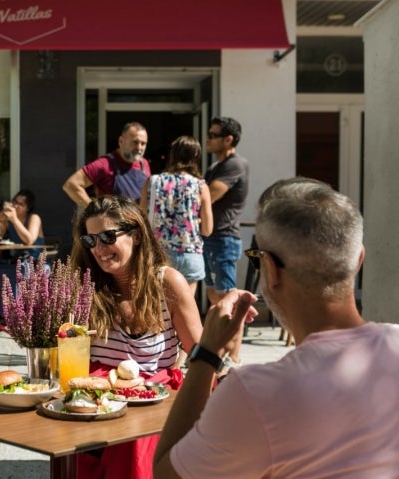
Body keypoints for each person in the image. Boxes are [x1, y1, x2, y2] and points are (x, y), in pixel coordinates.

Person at [153, 178, 399, 477]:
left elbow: (167, 472)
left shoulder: (255, 393)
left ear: (269, 270)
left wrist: (206, 354)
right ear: (359, 258)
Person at [70, 195, 203, 479]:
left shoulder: (167, 283)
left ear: (137, 235)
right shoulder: (85, 288)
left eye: (107, 236)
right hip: (98, 400)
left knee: (132, 439)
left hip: (153, 401)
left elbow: (201, 355)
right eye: (91, 240)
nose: (99, 249)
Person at [140, 135, 213, 295]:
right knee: (186, 311)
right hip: (189, 253)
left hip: (160, 254)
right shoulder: (200, 185)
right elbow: (207, 229)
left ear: (172, 155)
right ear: (196, 157)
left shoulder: (153, 181)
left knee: (158, 311)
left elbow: (142, 218)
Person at [202, 116, 248, 305]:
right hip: (211, 238)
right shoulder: (215, 166)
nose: (207, 139)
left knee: (228, 300)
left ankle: (233, 336)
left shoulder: (235, 164)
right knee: (214, 296)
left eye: (213, 135)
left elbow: (209, 196)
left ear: (228, 139)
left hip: (223, 239)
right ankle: (220, 335)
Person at [0, 189, 46, 317]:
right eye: (14, 202)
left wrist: (15, 220)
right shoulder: (9, 220)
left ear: (27, 208)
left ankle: (16, 315)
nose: (15, 206)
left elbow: (29, 240)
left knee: (17, 271)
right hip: (17, 260)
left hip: (34, 261)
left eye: (20, 204)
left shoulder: (34, 218)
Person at [63, 122, 150, 207]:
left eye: (143, 144)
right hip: (112, 221)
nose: (139, 148)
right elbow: (71, 185)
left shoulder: (144, 164)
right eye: (135, 142)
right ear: (121, 141)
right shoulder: (105, 164)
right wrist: (94, 210)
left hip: (138, 220)